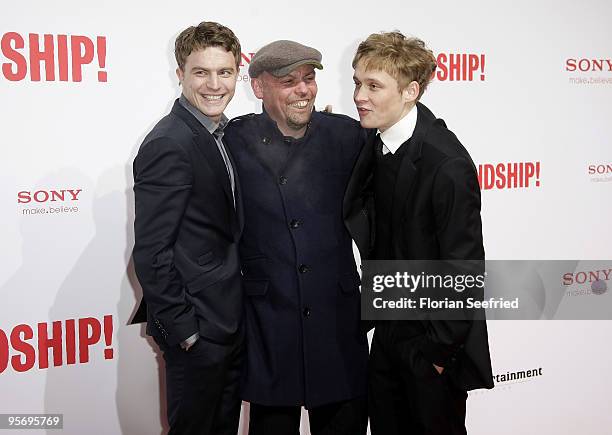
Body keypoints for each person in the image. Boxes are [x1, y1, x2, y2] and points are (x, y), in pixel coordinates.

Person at [343, 31, 494, 435]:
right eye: (357, 82)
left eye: (374, 86)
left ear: (411, 91)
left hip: (430, 340)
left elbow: (464, 268)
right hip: (388, 329)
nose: (359, 95)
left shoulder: (446, 164)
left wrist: (437, 352)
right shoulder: (374, 142)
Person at [224, 40, 368, 435]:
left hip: (337, 327)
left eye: (309, 79)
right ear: (258, 87)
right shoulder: (232, 142)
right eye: (289, 81)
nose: (303, 90)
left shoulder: (348, 137)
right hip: (270, 329)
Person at [131, 21, 244, 435]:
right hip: (198, 333)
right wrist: (185, 332)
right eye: (201, 72)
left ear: (237, 73)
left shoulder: (220, 132)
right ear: (180, 74)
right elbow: (151, 252)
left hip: (228, 324)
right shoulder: (169, 142)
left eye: (224, 72)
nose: (215, 84)